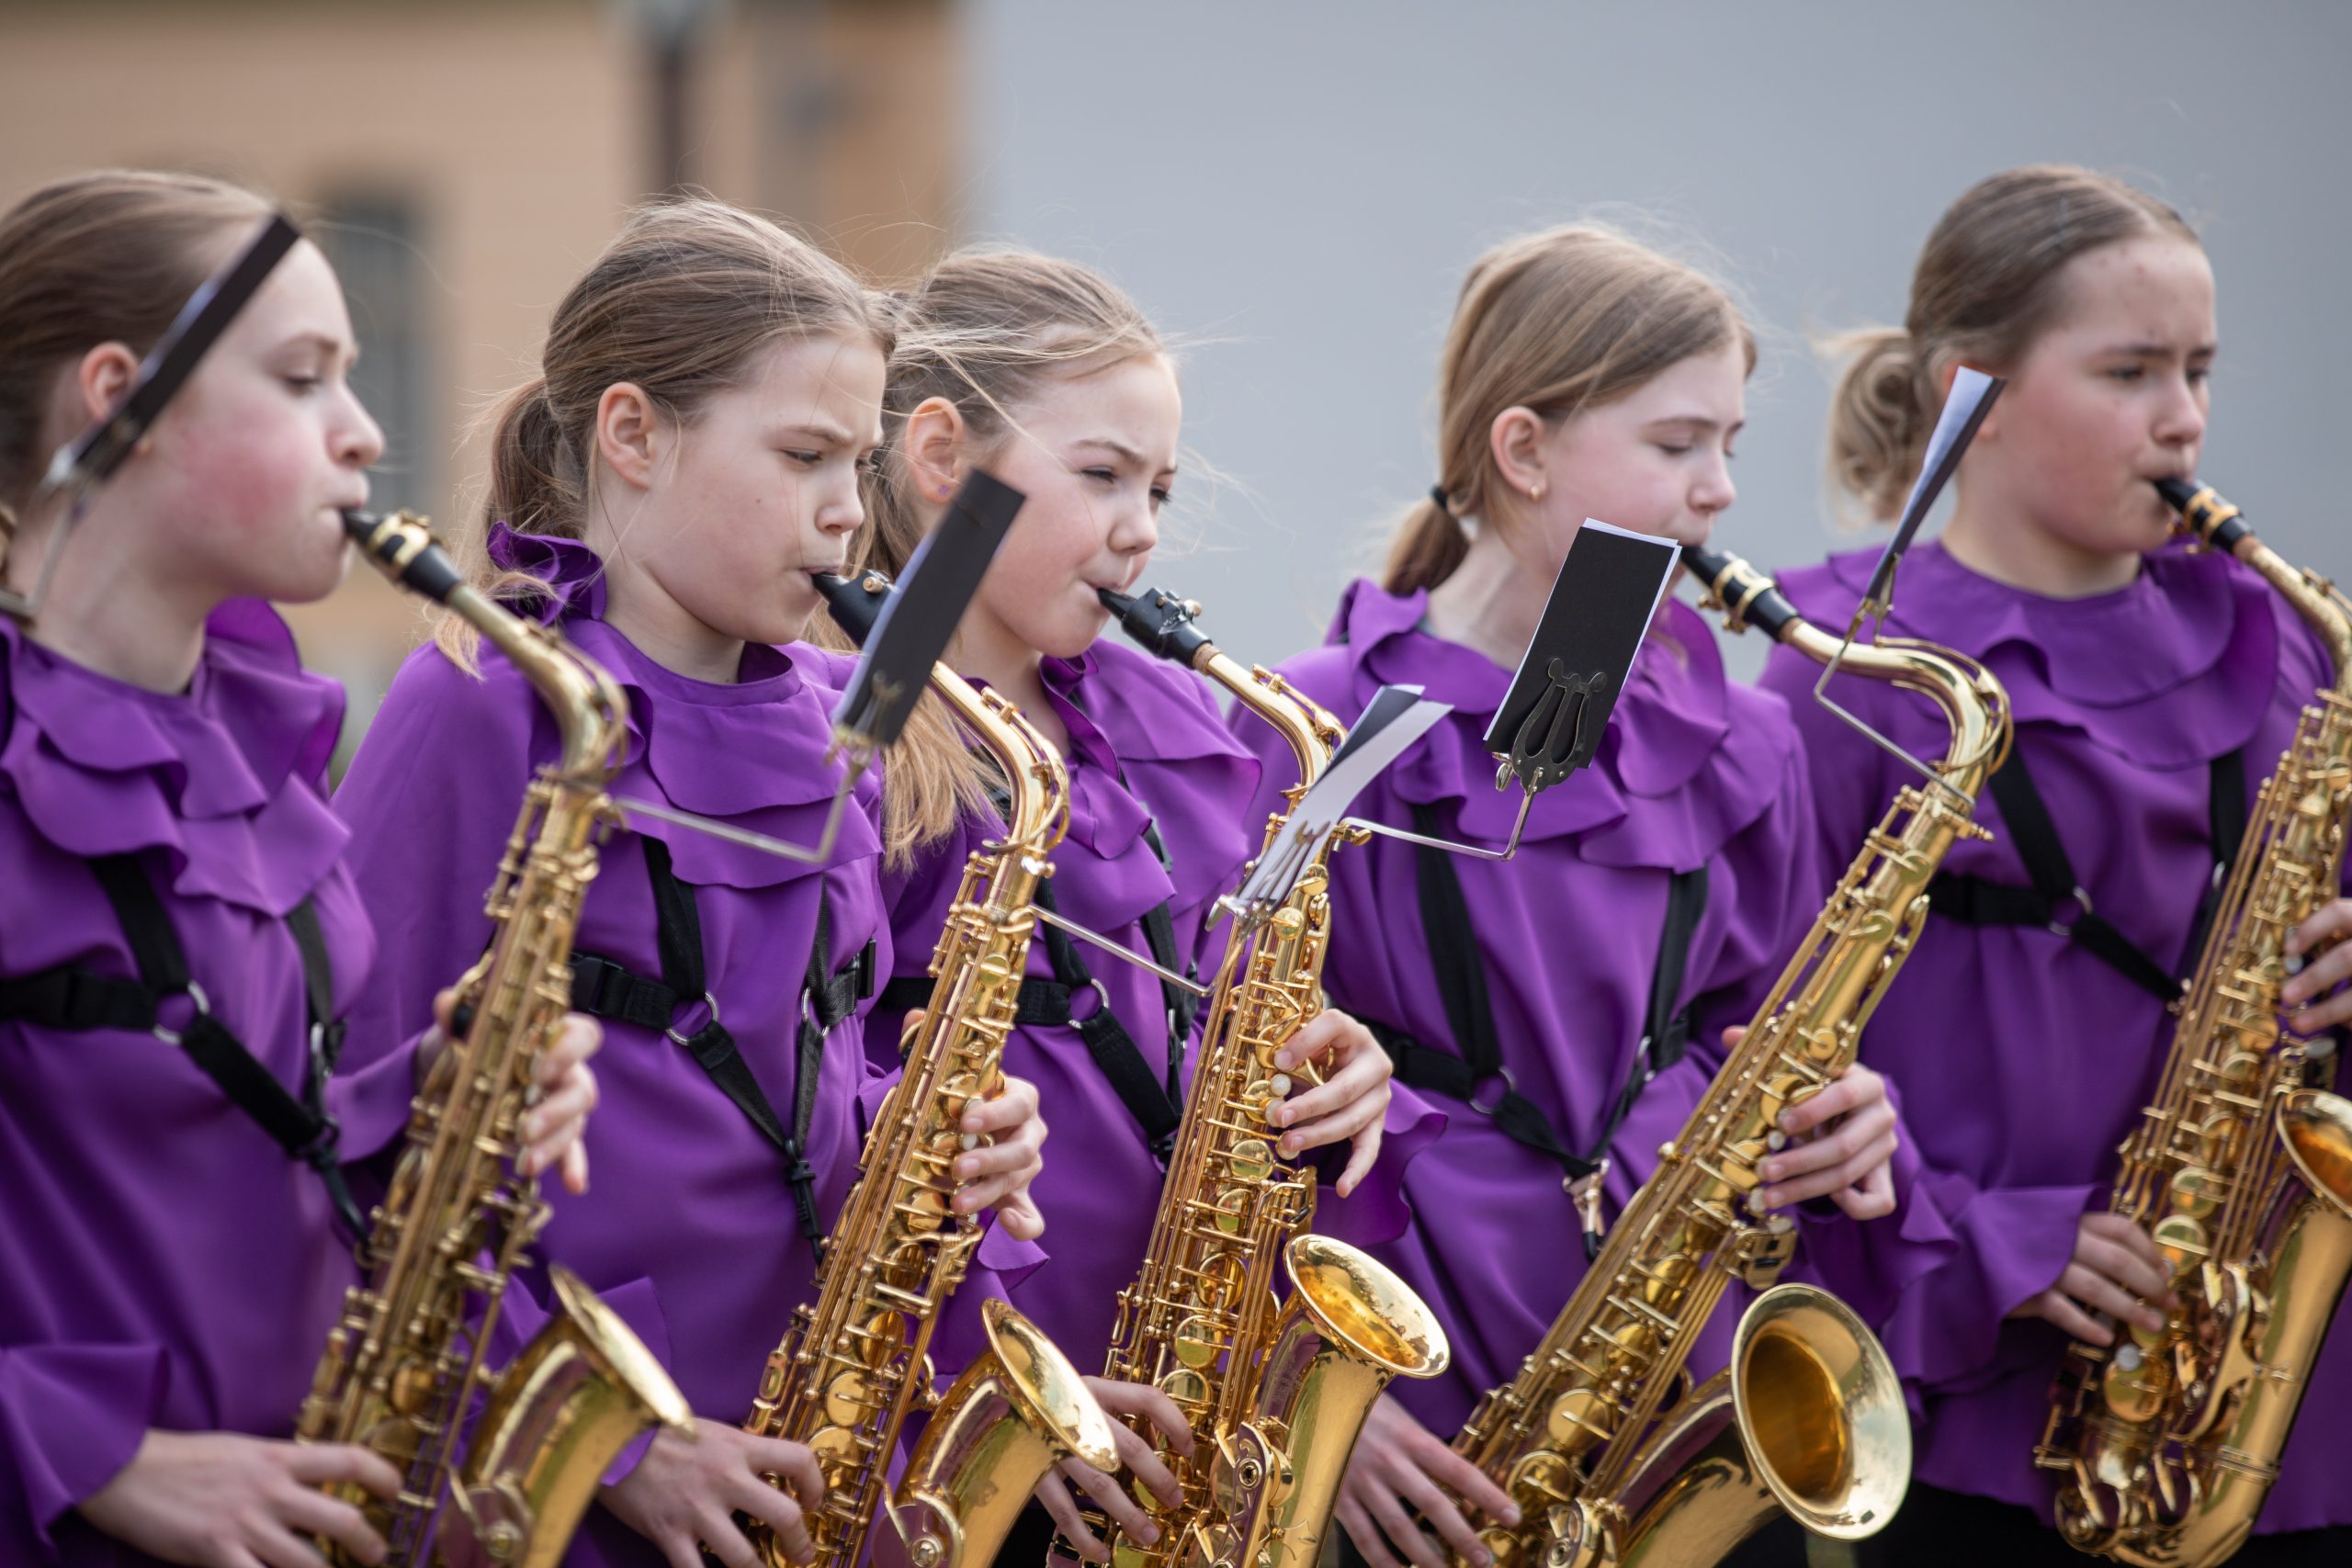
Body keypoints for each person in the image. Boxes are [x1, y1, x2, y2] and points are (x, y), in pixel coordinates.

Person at [332, 199, 1049, 1568]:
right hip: (563, 1469)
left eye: (860, 463)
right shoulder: (486, 701)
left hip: (801, 1446)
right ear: (634, 434)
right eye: (802, 456)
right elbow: (368, 1137)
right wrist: (605, 1440)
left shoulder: (845, 715)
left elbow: (817, 1055)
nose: (850, 512)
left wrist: (940, 1133)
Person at [1235, 223, 1904, 1568]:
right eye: (1676, 443)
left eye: (1730, 443)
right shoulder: (1312, 720)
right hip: (1409, 1371)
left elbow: (1760, 1032)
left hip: (1677, 1366)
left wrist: (1848, 1122)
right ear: (1524, 451)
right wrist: (1303, 1386)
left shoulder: (1745, 738)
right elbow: (1222, 1104)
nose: (1720, 490)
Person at [0, 169, 598, 1568]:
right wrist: (88, 1452)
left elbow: (235, 1120)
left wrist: (437, 1099)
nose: (365, 431)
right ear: (118, 401)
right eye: (301, 377)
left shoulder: (252, 744)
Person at [1763, 164, 2352, 1565]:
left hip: (2282, 1398)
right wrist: (1990, 1242)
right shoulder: (1843, 672)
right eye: (2130, 371)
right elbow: (1767, 1057)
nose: (2184, 417)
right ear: (1972, 392)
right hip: (1988, 1397)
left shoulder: (2290, 644)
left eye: (2198, 370)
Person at [842, 247, 1415, 1563]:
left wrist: (1337, 1070)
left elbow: (1222, 1008)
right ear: (944, 459)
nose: (1144, 527)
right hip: (967, 1405)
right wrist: (989, 1388)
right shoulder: (857, 731)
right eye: (1101, 475)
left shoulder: (1163, 713)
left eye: (1156, 489)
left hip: (1176, 1388)